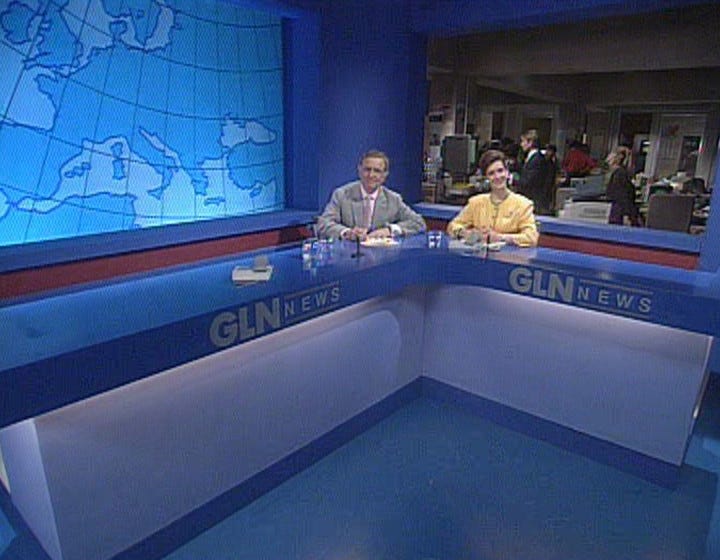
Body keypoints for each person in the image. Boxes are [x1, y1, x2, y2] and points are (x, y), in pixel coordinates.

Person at [317, 150, 426, 240]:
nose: (371, 175)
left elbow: (418, 223)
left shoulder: (393, 199)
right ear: (359, 170)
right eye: (367, 169)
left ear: (384, 175)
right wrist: (347, 233)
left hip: (381, 258)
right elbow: (323, 223)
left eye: (377, 171)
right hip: (348, 256)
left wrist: (389, 230)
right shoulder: (341, 195)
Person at [447, 149, 539, 247]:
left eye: (500, 171)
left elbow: (531, 238)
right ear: (486, 178)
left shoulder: (523, 205)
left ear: (507, 173)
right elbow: (453, 226)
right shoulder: (476, 203)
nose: (497, 176)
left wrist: (501, 237)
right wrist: (466, 233)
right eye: (491, 173)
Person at [515, 129, 551, 215]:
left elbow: (529, 181)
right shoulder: (531, 158)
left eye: (523, 141)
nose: (521, 144)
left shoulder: (537, 159)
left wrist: (513, 180)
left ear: (530, 142)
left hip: (535, 201)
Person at [606, 146, 641, 226]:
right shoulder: (620, 173)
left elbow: (623, 196)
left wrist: (626, 215)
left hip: (620, 212)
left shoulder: (620, 174)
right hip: (619, 210)